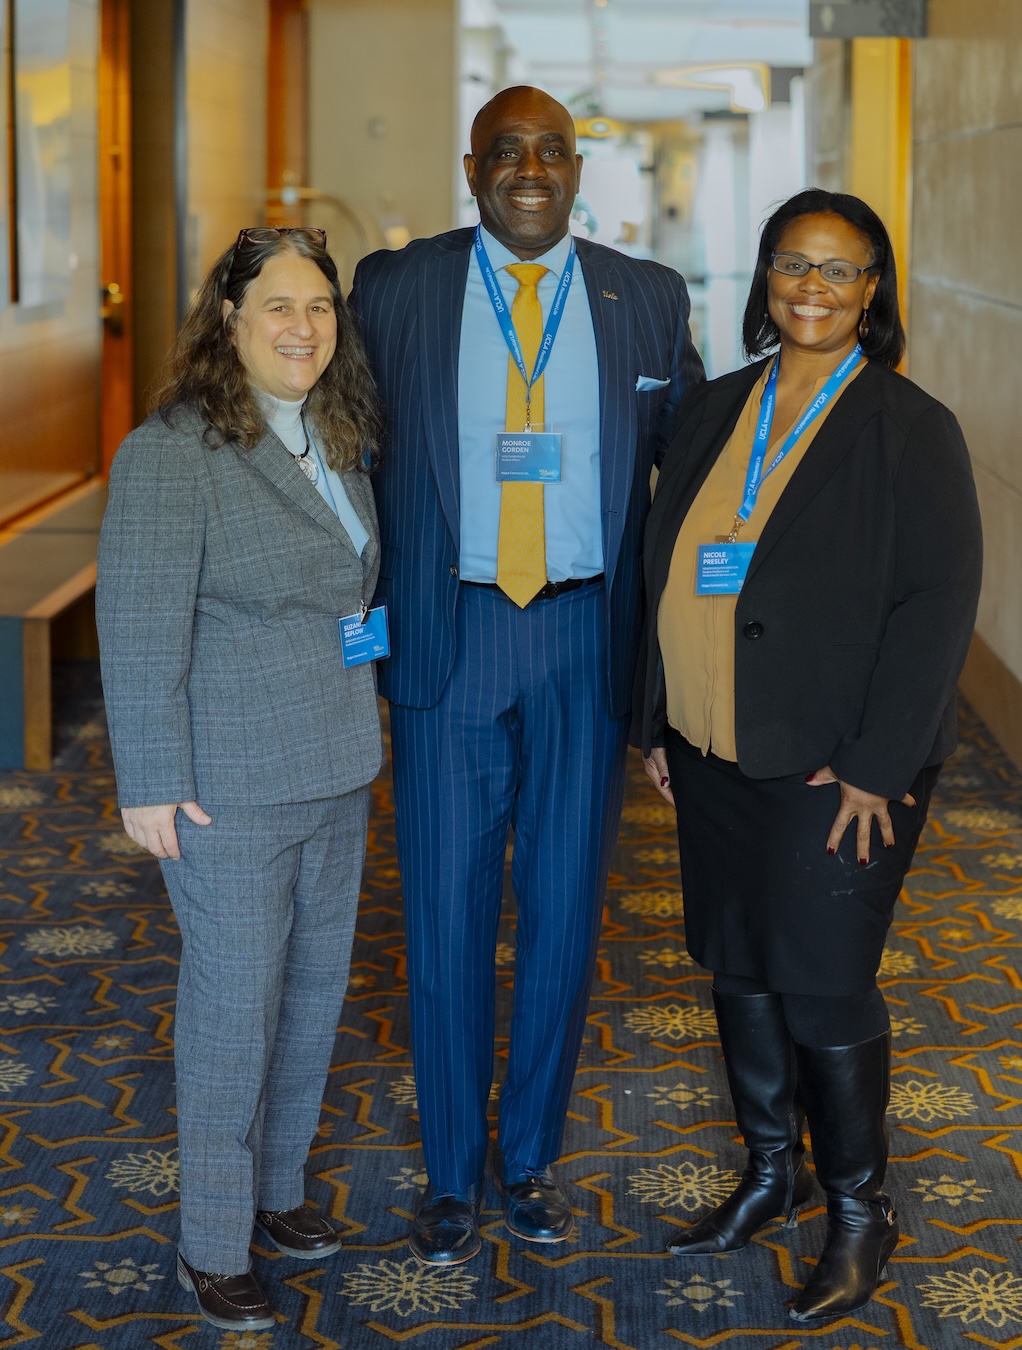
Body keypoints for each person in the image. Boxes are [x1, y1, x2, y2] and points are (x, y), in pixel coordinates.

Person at [351, 86, 703, 1265]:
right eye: (507, 151)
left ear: (577, 164)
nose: (530, 169)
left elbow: (692, 482)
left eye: (551, 149)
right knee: (443, 917)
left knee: (561, 916)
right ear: (471, 168)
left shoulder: (645, 298)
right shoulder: (393, 289)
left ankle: (532, 1160)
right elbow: (340, 450)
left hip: (581, 640)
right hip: (449, 635)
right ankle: (453, 1174)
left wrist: (687, 675)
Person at [634, 189, 982, 1322]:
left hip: (834, 767)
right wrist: (657, 715)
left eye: (839, 271)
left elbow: (937, 605)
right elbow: (665, 559)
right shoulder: (715, 406)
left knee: (822, 982)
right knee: (735, 965)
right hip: (712, 748)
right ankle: (769, 1176)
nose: (812, 289)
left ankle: (854, 1209)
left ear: (871, 291)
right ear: (764, 277)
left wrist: (881, 764)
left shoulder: (906, 427)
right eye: (793, 265)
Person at [96, 227, 385, 1332]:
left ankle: (279, 1194)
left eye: (318, 305)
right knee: (231, 1012)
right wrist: (150, 785)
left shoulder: (339, 431)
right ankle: (212, 1244)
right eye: (277, 306)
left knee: (313, 998)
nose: (302, 326)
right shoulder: (173, 453)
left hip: (333, 764)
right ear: (229, 319)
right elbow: (137, 628)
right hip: (224, 783)